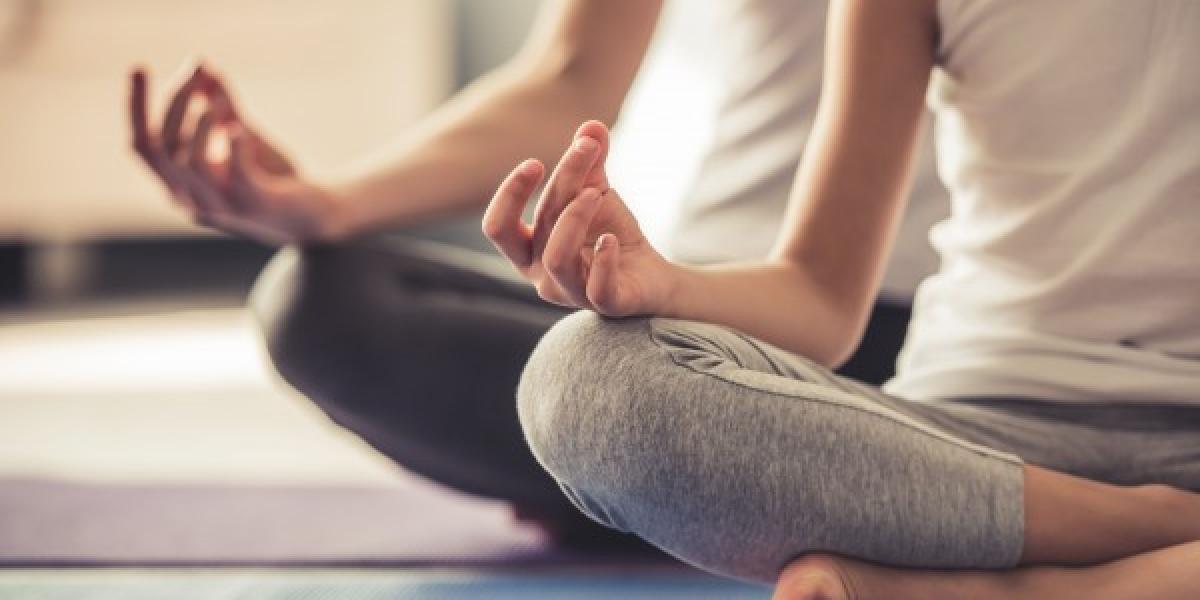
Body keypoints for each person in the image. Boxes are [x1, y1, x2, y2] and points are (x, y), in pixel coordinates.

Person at [127, 0, 945, 548]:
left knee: (612, 391)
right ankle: (665, 496)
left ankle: (649, 498)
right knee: (320, 300)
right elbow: (570, 74)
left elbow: (822, 295)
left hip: (903, 339)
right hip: (692, 309)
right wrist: (324, 205)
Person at [482, 0, 1200, 598]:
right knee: (588, 379)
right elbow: (819, 298)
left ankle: (1027, 587)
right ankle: (1152, 536)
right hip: (966, 438)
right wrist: (662, 283)